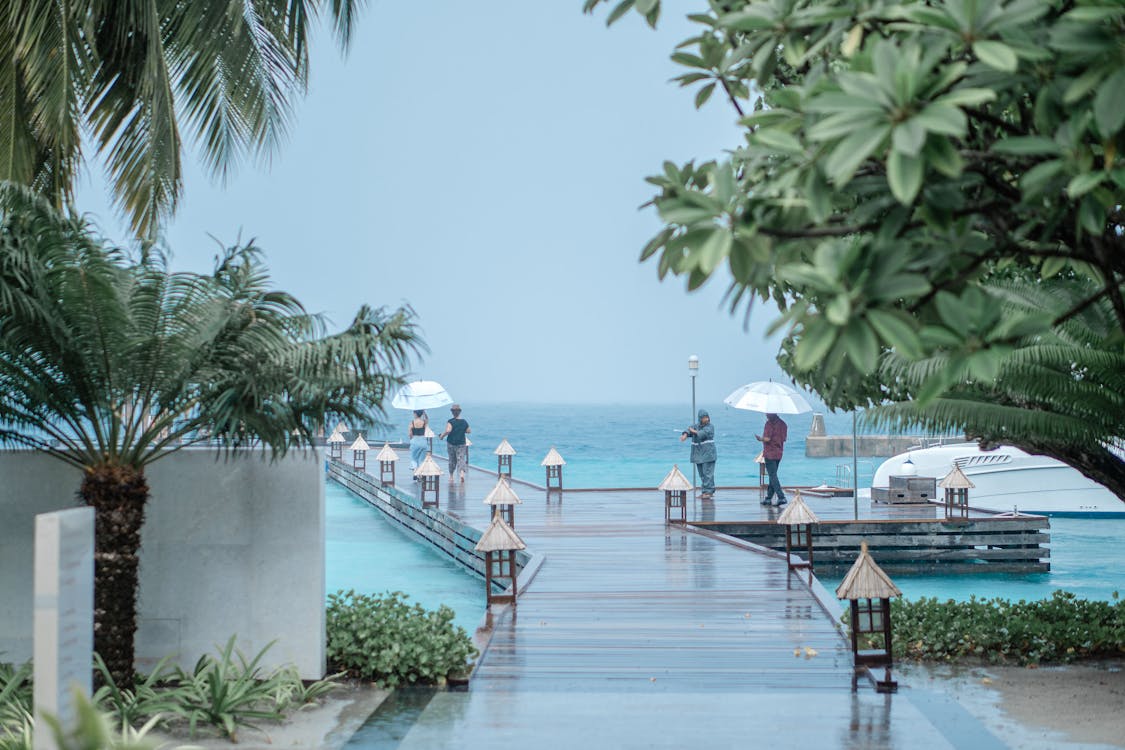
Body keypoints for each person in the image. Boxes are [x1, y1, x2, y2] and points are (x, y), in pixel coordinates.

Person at [680, 408, 716, 499]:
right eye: (704, 417)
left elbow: (703, 434)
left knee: (708, 473)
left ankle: (709, 491)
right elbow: (689, 430)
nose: (706, 419)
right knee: (702, 474)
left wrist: (693, 431)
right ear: (700, 418)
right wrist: (685, 434)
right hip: (699, 455)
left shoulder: (710, 427)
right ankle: (705, 491)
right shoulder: (696, 426)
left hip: (708, 454)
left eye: (707, 417)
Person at [756, 413, 788, 506]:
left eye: (767, 413)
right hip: (779, 453)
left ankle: (781, 497)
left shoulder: (769, 424)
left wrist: (760, 439)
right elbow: (784, 439)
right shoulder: (783, 424)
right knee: (772, 475)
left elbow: (767, 438)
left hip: (770, 453)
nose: (766, 415)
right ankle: (768, 498)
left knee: (772, 475)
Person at [439, 403, 471, 483]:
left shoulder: (450, 421)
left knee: (452, 460)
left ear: (452, 412)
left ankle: (451, 476)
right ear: (459, 412)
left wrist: (442, 436)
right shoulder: (464, 422)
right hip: (461, 443)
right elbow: (469, 431)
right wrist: (462, 430)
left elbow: (448, 430)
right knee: (461, 459)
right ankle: (462, 474)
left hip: (451, 443)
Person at [408, 409, 428, 477]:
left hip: (415, 441)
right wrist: (424, 413)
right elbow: (427, 419)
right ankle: (421, 474)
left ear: (415, 414)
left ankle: (415, 472)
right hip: (423, 441)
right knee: (422, 459)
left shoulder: (412, 422)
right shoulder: (424, 422)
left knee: (414, 458)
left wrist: (411, 439)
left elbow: (410, 434)